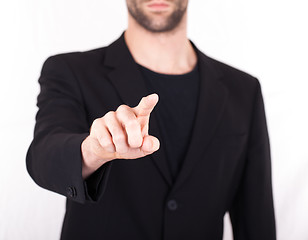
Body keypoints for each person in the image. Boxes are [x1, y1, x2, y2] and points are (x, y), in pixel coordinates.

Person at [26, 0, 276, 239]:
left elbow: (256, 220)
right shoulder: (70, 71)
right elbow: (44, 155)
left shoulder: (244, 91)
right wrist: (93, 150)